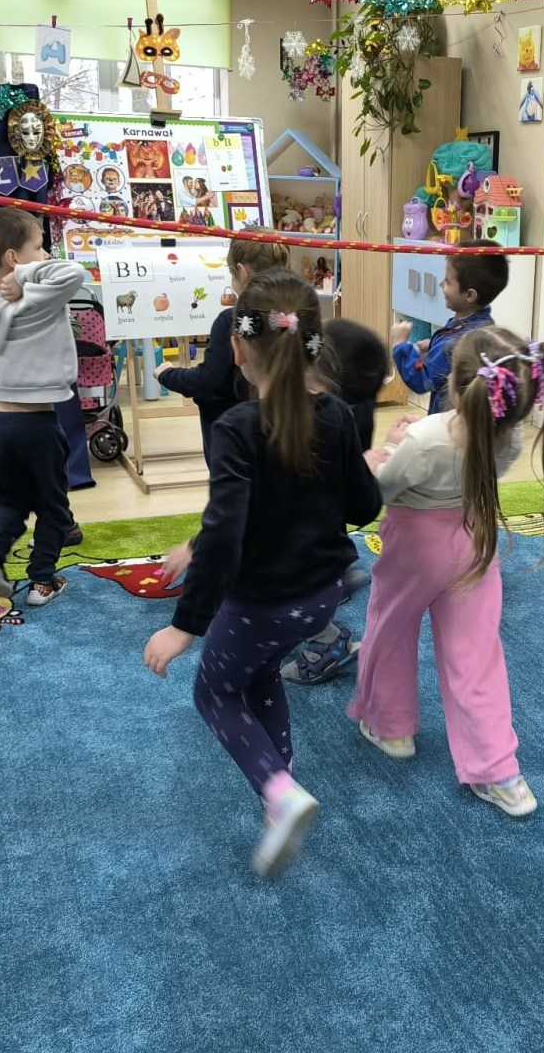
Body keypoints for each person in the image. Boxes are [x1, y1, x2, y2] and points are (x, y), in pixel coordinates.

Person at [143, 269, 382, 877]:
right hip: (321, 598)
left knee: (214, 691)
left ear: (238, 349)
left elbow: (227, 532)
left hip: (265, 603)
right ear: (312, 344)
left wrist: (183, 626)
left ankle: (280, 793)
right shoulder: (336, 415)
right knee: (259, 670)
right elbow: (364, 508)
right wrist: (362, 465)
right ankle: (281, 782)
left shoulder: (236, 428)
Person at [349, 326, 544, 818]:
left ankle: (392, 730)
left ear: (454, 385)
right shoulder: (508, 436)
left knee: (390, 630)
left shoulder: (425, 438)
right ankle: (501, 774)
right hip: (475, 540)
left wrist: (382, 452)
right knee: (476, 656)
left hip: (414, 545)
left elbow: (383, 489)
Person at [0, 208, 89, 606]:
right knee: (53, 507)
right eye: (39, 247)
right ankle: (42, 581)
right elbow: (74, 273)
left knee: (11, 500)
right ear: (13, 258)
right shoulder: (39, 293)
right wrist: (25, 276)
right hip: (37, 423)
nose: (45, 255)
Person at [280, 317, 390, 686]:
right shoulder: (341, 412)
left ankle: (327, 643)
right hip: (322, 537)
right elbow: (360, 506)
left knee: (291, 587)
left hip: (302, 542)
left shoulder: (314, 417)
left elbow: (358, 504)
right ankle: (333, 589)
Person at [154, 232, 291, 455]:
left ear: (241, 271)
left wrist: (167, 374)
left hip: (233, 435)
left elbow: (207, 380)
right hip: (288, 427)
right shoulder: (295, 314)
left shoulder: (233, 320)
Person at [390, 242, 507, 412]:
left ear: (470, 295)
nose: (441, 284)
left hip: (448, 422)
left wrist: (400, 346)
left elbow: (422, 381)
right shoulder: (484, 325)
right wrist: (433, 346)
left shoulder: (454, 345)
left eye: (448, 281)